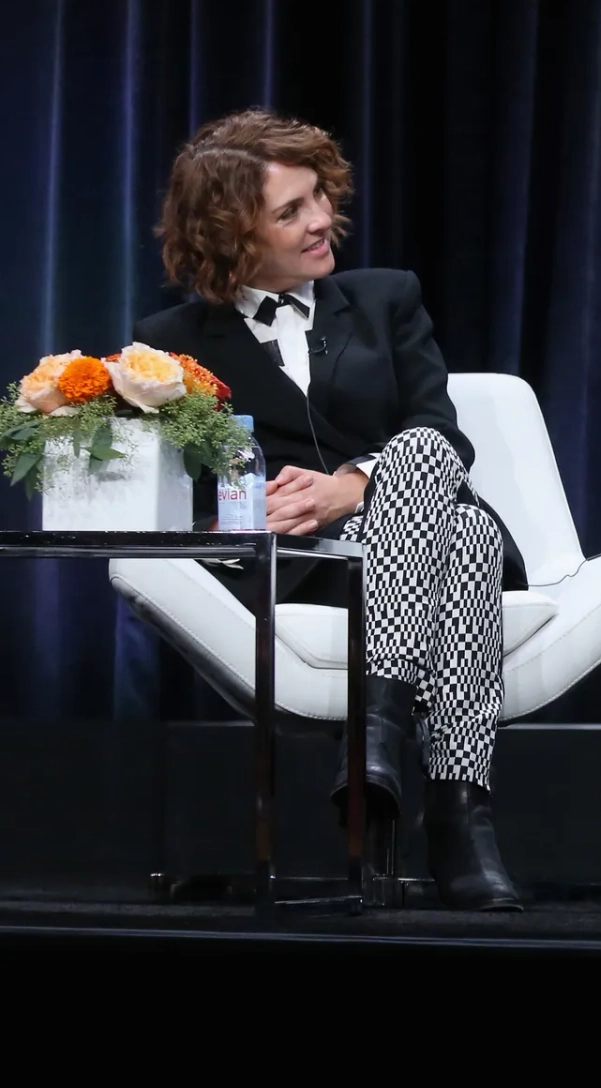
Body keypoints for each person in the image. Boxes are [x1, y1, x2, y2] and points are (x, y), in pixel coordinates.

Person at [135, 109, 522, 911]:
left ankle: (376, 738)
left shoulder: (386, 299)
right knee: (473, 533)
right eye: (291, 211)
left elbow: (441, 432)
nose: (321, 222)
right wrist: (241, 511)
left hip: (409, 516)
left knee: (433, 468)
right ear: (232, 234)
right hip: (306, 567)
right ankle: (457, 816)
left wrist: (352, 483)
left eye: (319, 197)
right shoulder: (169, 344)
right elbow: (188, 486)